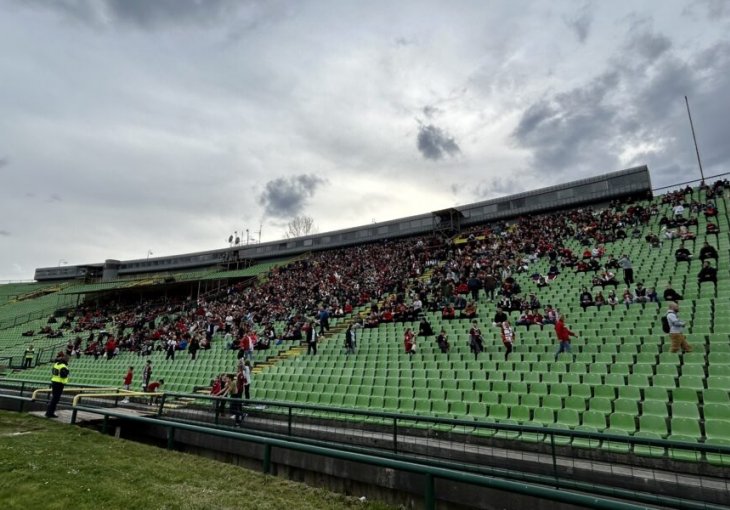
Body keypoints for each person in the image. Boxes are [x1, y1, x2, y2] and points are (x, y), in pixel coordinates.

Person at [45, 352, 69, 418]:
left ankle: (49, 412)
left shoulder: (56, 364)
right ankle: (49, 413)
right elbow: (63, 375)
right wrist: (67, 372)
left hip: (54, 382)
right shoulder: (63, 366)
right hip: (59, 384)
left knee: (54, 399)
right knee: (55, 399)